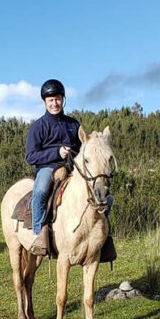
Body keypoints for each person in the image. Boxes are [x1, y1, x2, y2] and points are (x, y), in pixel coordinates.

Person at [25, 79, 116, 260]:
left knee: (106, 197)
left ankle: (102, 237)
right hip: (47, 168)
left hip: (72, 168)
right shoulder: (37, 127)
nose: (54, 103)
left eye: (57, 99)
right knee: (41, 190)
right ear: (45, 102)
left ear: (63, 99)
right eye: (50, 100)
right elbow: (31, 156)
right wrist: (56, 152)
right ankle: (39, 236)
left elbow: (83, 150)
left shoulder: (73, 125)